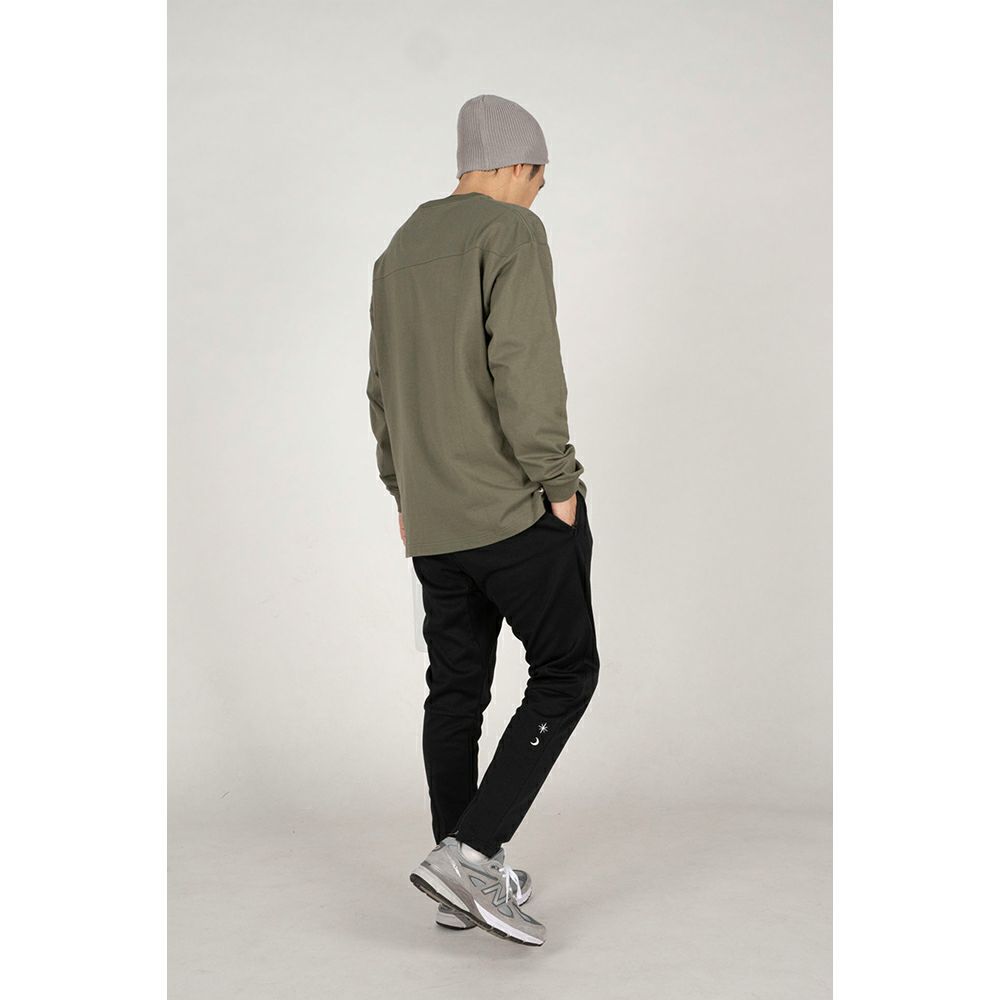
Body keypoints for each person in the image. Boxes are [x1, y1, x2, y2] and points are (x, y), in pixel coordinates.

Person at [366, 93, 600, 947]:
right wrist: (559, 482)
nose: (539, 193)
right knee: (567, 671)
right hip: (511, 508)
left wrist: (403, 493)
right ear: (513, 164)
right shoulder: (511, 233)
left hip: (433, 519)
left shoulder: (398, 250)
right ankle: (472, 853)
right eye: (539, 176)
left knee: (457, 687)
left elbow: (381, 388)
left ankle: (455, 876)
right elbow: (525, 365)